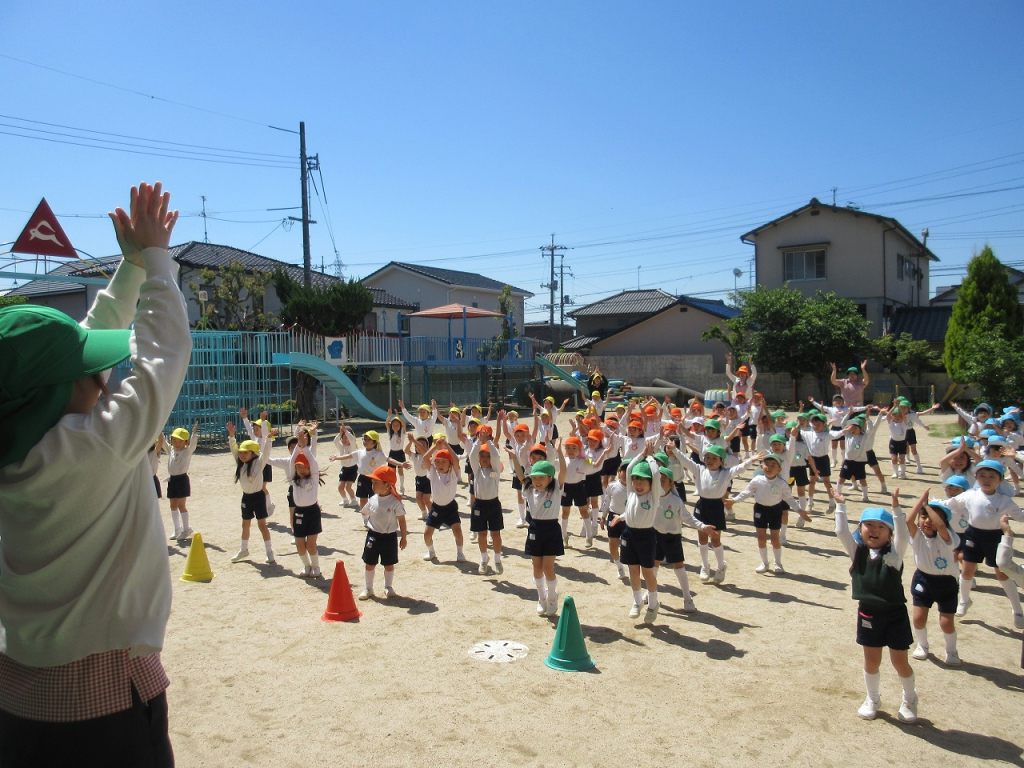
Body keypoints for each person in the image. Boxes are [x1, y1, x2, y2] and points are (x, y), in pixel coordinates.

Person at [0, 182, 185, 765]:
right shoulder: (94, 449)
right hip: (105, 707)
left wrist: (128, 271)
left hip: (19, 695)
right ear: (59, 393)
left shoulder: (20, 452)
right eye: (91, 373)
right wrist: (156, 259)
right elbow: (164, 356)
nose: (105, 378)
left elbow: (68, 349)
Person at [831, 488, 918, 723]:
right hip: (868, 613)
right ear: (860, 530)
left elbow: (902, 535)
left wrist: (897, 510)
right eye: (868, 525)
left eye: (881, 526)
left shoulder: (895, 553)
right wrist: (841, 505)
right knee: (871, 660)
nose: (874, 530)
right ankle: (872, 698)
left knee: (899, 661)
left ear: (889, 533)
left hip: (894, 613)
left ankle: (909, 698)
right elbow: (840, 531)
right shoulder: (857, 552)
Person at [943, 459, 1024, 628]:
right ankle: (965, 601)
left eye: (992, 476)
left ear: (1000, 479)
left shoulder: (1004, 500)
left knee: (1002, 573)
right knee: (967, 571)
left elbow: (1020, 515)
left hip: (995, 537)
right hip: (973, 535)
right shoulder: (971, 494)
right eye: (982, 476)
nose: (986, 479)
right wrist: (932, 505)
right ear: (976, 477)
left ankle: (1017, 610)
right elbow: (950, 504)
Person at [904, 491, 961, 666]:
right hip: (923, 580)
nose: (927, 521)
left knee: (946, 622)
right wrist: (921, 502)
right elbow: (908, 521)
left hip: (946, 583)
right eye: (924, 517)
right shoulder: (917, 536)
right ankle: (922, 645)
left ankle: (951, 650)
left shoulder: (948, 538)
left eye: (933, 518)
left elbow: (941, 527)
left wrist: (928, 506)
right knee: (918, 618)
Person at [508, 448, 566, 617]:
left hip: (552, 529)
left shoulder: (555, 490)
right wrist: (514, 458)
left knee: (548, 567)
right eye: (535, 478)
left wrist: (560, 454)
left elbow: (563, 472)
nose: (537, 481)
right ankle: (541, 598)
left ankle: (552, 596)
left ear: (550, 478)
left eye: (541, 477)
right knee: (537, 567)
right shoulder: (529, 489)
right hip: (535, 529)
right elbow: (520, 476)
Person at [226, 422, 275, 564]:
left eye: (245, 452)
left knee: (262, 525)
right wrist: (231, 436)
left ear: (253, 453)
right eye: (241, 452)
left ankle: (269, 551)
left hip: (258, 497)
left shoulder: (259, 463)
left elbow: (266, 452)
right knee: (245, 524)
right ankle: (243, 549)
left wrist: (269, 439)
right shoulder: (240, 462)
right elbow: (233, 449)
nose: (241, 455)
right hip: (246, 498)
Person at [359, 465, 407, 600]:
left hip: (389, 537)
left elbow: (402, 521)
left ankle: (388, 587)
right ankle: (368, 588)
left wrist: (404, 538)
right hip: (373, 536)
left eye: (376, 482)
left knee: (389, 564)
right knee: (369, 563)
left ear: (387, 485)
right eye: (372, 482)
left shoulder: (395, 502)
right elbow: (364, 511)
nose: (373, 485)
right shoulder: (372, 499)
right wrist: (368, 523)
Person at [420, 439, 466, 562]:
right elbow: (425, 457)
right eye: (437, 462)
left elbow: (455, 459)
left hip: (450, 507)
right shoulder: (433, 473)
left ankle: (460, 553)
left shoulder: (453, 473)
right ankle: (431, 551)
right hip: (436, 508)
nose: (440, 465)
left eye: (443, 462)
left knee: (457, 531)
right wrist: (435, 447)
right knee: (427, 534)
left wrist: (446, 445)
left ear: (450, 464)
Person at [165, 420, 199, 541]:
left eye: (180, 441)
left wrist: (194, 433)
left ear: (186, 442)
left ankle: (186, 529)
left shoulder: (186, 451)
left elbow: (193, 446)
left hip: (182, 480)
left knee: (181, 505)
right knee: (172, 505)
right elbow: (163, 443)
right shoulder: (171, 450)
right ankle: (177, 529)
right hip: (172, 480)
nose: (177, 443)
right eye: (174, 440)